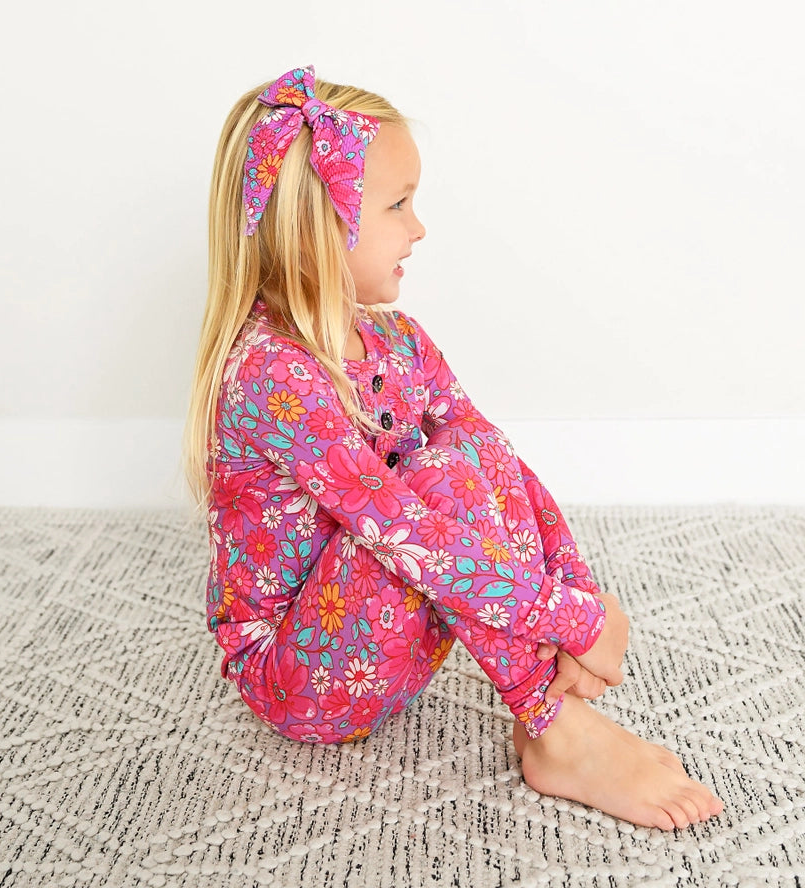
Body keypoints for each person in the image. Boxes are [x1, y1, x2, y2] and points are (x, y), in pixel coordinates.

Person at [183, 64, 724, 831]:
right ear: (314, 229)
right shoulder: (274, 375)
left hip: (381, 647)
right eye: (397, 205)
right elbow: (406, 531)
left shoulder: (400, 340)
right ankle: (555, 727)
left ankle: (554, 703)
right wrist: (572, 620)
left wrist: (581, 592)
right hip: (298, 681)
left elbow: (499, 464)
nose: (419, 228)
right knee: (435, 489)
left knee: (472, 450)